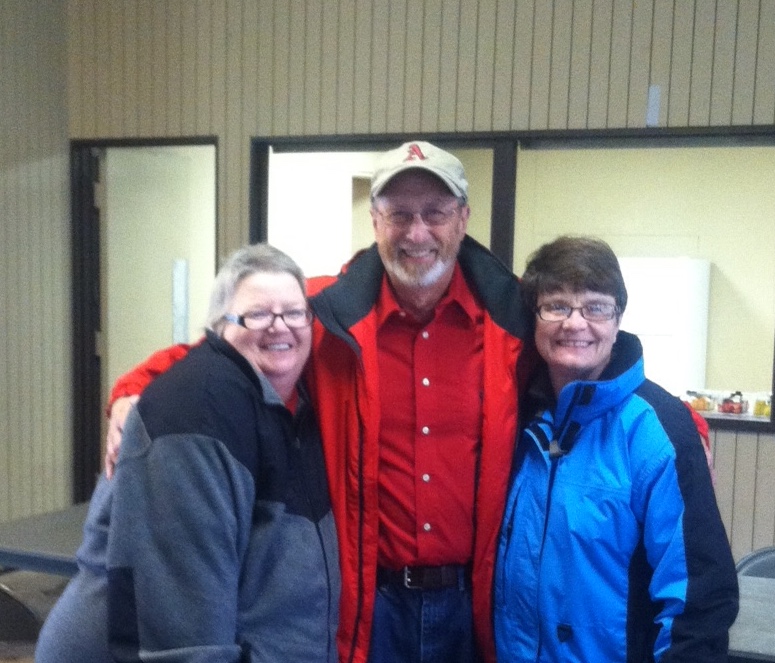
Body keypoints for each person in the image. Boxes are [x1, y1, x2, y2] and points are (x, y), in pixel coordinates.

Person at [103, 141, 533, 663]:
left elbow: (583, 359)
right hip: (369, 604)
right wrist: (132, 389)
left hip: (474, 603)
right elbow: (224, 346)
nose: (417, 233)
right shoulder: (325, 315)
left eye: (435, 213)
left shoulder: (510, 326)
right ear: (375, 221)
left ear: (462, 219)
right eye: (398, 214)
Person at [36, 244, 340, 663]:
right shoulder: (197, 416)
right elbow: (183, 627)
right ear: (218, 329)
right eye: (256, 314)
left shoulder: (281, 404)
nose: (279, 326)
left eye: (293, 312)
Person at [493, 235, 739, 662]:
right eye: (556, 306)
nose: (575, 323)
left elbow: (697, 602)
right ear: (533, 318)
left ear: (618, 317)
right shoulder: (516, 422)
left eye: (595, 307)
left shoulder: (657, 431)